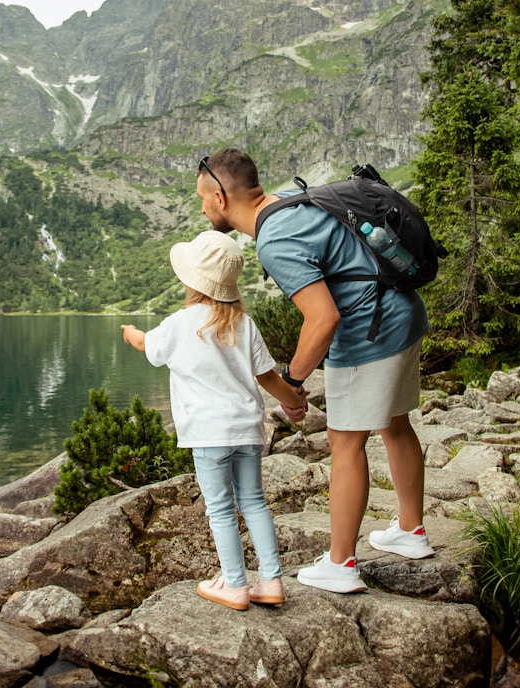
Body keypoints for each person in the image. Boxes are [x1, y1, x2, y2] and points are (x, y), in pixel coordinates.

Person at [195, 148, 435, 595]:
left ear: (221, 197)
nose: (202, 207)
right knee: (396, 424)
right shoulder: (290, 201)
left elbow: (323, 318)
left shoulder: (274, 239)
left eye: (203, 199)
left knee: (345, 443)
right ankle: (410, 530)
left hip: (372, 330)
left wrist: (293, 381)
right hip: (403, 311)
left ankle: (342, 563)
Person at [120, 230, 309, 611]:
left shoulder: (178, 323)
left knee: (220, 508)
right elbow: (268, 377)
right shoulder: (245, 324)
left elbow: (147, 347)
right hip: (247, 430)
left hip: (208, 435)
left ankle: (235, 584)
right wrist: (294, 403)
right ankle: (270, 580)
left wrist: (131, 333)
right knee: (254, 502)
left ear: (191, 281)